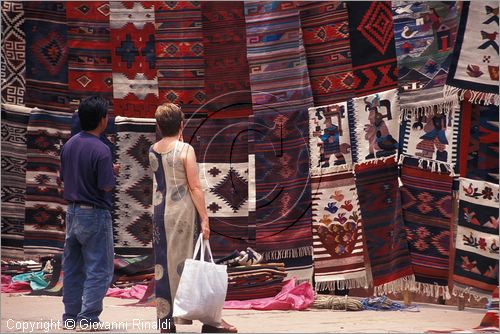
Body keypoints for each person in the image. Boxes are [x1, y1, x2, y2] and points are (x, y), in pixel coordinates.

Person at [150, 103, 237, 333]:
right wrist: (205, 219)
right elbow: (195, 187)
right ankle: (211, 320)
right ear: (181, 124)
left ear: (158, 126)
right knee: (193, 263)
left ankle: (166, 322)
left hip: (160, 214)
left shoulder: (153, 150)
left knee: (164, 266)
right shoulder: (185, 149)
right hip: (183, 214)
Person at [60, 95, 118, 331]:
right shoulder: (102, 150)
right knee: (100, 268)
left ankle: (70, 317)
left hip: (72, 212)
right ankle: (89, 318)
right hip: (94, 213)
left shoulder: (70, 144)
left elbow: (65, 177)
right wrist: (112, 172)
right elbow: (106, 185)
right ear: (102, 119)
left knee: (73, 267)